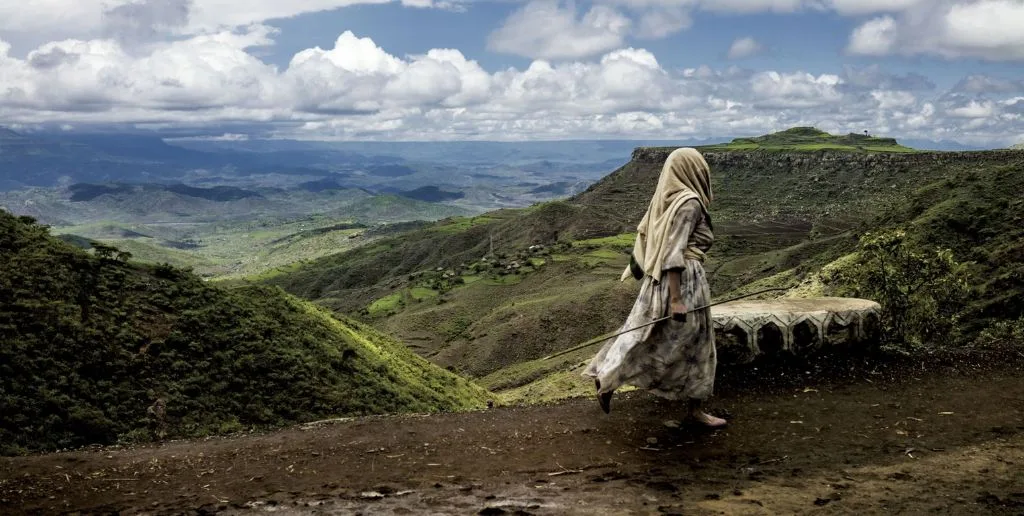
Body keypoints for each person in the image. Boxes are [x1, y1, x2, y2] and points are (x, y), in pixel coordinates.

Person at [583, 147, 726, 428]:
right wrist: (677, 299)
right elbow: (674, 253)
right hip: (683, 281)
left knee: (642, 332)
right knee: (698, 346)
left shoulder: (666, 200)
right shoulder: (689, 203)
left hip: (657, 281)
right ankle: (694, 411)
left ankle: (608, 377)